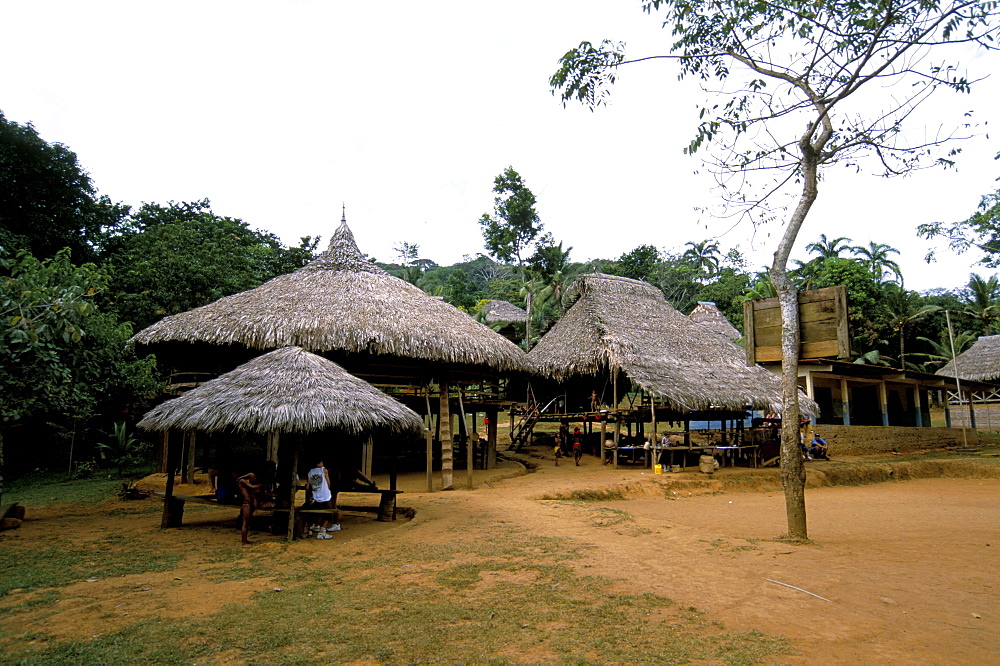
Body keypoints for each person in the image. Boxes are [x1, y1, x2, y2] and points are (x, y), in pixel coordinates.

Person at [306, 458, 339, 539]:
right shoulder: (324, 470)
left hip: (316, 496)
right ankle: (322, 531)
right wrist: (326, 488)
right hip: (325, 495)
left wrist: (310, 495)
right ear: (319, 463)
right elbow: (328, 483)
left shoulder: (310, 472)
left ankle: (312, 527)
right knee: (327, 514)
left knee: (316, 513)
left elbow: (307, 487)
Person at [237, 470, 268, 547]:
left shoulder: (247, 481)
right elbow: (252, 486)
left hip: (250, 504)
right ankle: (243, 543)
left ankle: (245, 540)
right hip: (246, 505)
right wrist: (261, 485)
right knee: (245, 523)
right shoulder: (242, 482)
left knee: (248, 523)